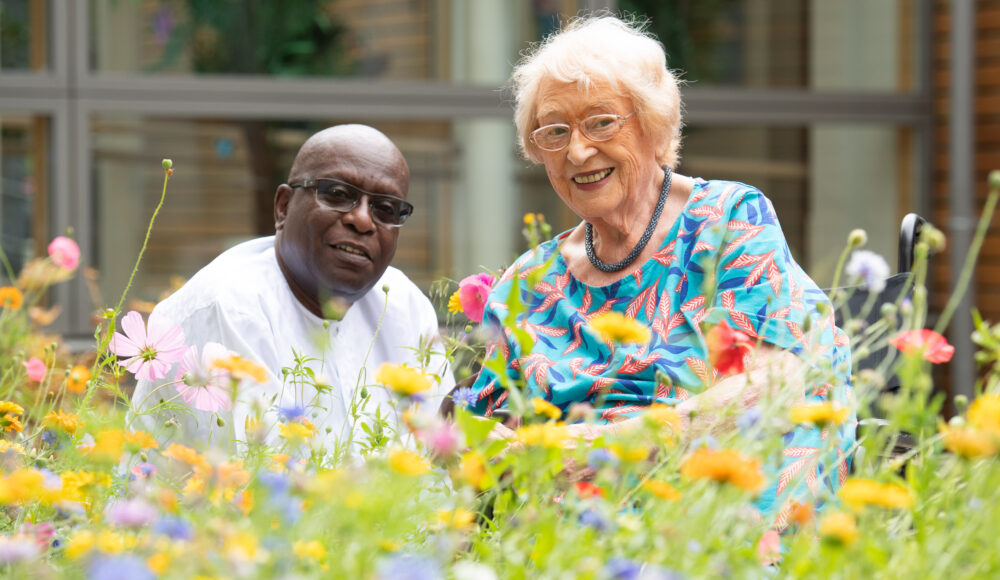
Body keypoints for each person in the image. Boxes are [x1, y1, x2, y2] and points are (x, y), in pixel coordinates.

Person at [466, 16, 855, 524]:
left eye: (602, 122)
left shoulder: (727, 221)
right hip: (561, 536)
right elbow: (481, 427)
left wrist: (598, 449)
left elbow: (773, 384)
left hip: (712, 516)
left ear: (653, 125)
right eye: (555, 132)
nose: (578, 151)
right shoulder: (527, 282)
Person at [130, 124, 454, 454]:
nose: (363, 220)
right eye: (339, 194)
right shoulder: (229, 304)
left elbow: (437, 464)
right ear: (283, 206)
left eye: (385, 209)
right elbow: (259, 486)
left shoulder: (403, 304)